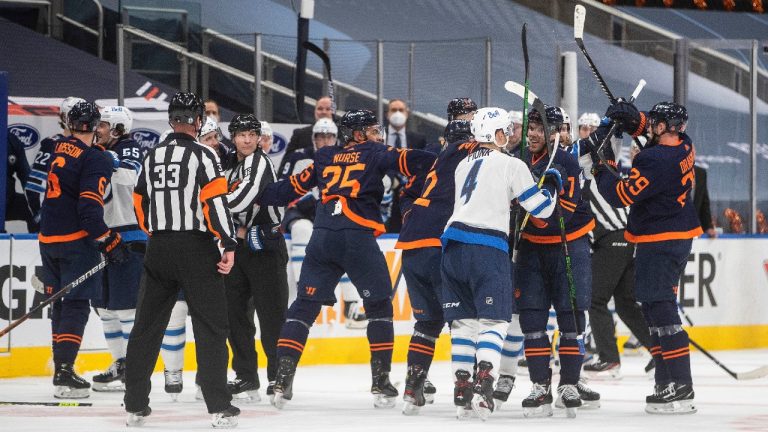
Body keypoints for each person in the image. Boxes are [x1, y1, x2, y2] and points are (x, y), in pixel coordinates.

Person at [256, 109, 435, 409]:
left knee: (302, 309)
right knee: (379, 308)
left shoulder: (325, 156)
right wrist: (449, 156)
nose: (377, 134)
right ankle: (380, 382)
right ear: (358, 133)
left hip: (322, 236)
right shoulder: (375, 151)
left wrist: (245, 192)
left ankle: (282, 379)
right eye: (372, 129)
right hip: (356, 239)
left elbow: (288, 189)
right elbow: (413, 161)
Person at [124, 92, 240, 428]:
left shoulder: (152, 155)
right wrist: (228, 242)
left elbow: (139, 202)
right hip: (196, 249)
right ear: (198, 120)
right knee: (212, 327)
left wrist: (157, 233)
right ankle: (219, 406)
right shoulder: (204, 155)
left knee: (146, 328)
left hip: (158, 248)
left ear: (172, 119)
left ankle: (134, 405)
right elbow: (215, 203)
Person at [440, 107, 559, 420]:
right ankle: (485, 381)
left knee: (463, 322)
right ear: (494, 133)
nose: (510, 135)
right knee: (496, 322)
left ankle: (461, 386)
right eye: (506, 130)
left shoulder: (463, 165)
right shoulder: (512, 163)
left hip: (452, 248)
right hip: (486, 248)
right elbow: (540, 209)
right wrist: (551, 189)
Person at [591, 100, 701, 415]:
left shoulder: (654, 160)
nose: (649, 126)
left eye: (654, 122)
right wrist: (635, 119)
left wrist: (603, 166)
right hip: (675, 236)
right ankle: (667, 382)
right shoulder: (684, 146)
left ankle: (681, 386)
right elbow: (652, 137)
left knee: (662, 312)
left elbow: (620, 195)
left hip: (661, 241)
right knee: (654, 309)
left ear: (666, 127)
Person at [37, 101, 129, 399]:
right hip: (75, 241)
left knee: (60, 304)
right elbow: (89, 208)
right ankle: (64, 373)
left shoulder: (57, 147)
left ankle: (62, 369)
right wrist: (108, 238)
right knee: (75, 304)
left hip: (48, 239)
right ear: (92, 127)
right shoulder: (94, 158)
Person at [515, 106, 597, 418]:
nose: (532, 133)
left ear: (554, 132)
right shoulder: (518, 158)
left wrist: (528, 204)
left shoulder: (565, 162)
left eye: (539, 128)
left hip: (569, 246)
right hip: (532, 252)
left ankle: (570, 384)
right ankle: (539, 386)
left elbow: (559, 214)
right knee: (532, 322)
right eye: (529, 127)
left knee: (572, 318)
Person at [395, 117, 477, 416]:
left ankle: (412, 390)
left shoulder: (431, 163)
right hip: (440, 245)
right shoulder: (471, 155)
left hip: (412, 246)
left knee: (427, 324)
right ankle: (464, 392)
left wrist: (411, 218)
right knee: (462, 320)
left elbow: (407, 195)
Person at [223, 114, 288, 403]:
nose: (247, 140)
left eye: (252, 134)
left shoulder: (260, 163)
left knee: (272, 316)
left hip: (266, 247)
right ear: (233, 137)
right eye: (241, 135)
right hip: (238, 247)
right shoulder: (229, 164)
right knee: (235, 315)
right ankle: (246, 375)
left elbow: (240, 200)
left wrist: (212, 206)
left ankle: (277, 377)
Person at [278, 118, 368, 329]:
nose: (325, 140)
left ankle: (352, 306)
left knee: (342, 239)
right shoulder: (298, 157)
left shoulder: (346, 158)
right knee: (301, 229)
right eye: (321, 136)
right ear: (314, 137)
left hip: (328, 213)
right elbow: (284, 188)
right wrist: (307, 201)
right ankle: (306, 292)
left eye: (329, 136)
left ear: (335, 138)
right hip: (300, 211)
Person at [90, 106, 148, 392]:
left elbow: (130, 177)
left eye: (102, 124)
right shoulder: (97, 150)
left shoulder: (130, 148)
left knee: (126, 307)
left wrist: (108, 158)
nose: (96, 129)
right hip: (102, 237)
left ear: (117, 129)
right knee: (103, 306)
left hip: (130, 239)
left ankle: (135, 368)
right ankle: (120, 363)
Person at [25, 96, 85, 230]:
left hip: (81, 226)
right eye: (77, 116)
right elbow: (34, 188)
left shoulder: (90, 149)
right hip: (55, 227)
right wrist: (44, 219)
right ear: (64, 118)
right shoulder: (52, 145)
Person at [385, 99, 427, 232]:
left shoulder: (418, 139)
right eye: (393, 110)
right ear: (387, 114)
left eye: (401, 110)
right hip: (385, 192)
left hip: (410, 193)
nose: (397, 113)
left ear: (407, 113)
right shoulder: (380, 137)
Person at [280, 96, 334, 173]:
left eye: (328, 109)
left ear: (333, 112)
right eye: (320, 109)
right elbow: (286, 163)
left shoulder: (343, 136)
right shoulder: (300, 134)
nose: (324, 112)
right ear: (315, 111)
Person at [3, 131, 32, 231]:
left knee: (37, 211)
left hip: (6, 201)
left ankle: (40, 245)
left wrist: (35, 203)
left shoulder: (11, 140)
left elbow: (26, 176)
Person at [692, 165, 716, 237]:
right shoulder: (673, 171)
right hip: (674, 231)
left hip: (695, 231)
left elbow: (704, 202)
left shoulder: (700, 173)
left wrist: (708, 226)